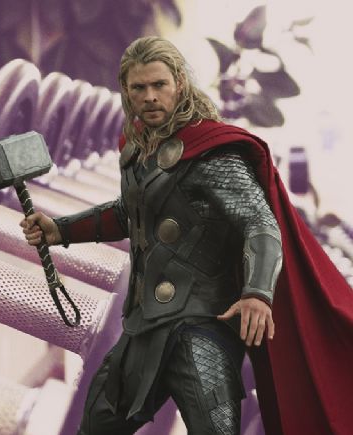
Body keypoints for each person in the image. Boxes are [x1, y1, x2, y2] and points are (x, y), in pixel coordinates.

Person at [21, 36, 353, 435]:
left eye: (159, 85)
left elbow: (261, 223)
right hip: (143, 327)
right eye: (139, 87)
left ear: (179, 83)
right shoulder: (138, 148)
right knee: (93, 426)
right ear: (126, 90)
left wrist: (257, 293)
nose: (149, 97)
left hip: (202, 328)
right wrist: (60, 230)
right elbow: (130, 214)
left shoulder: (213, 153)